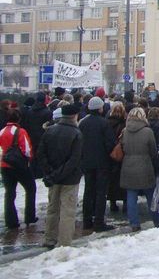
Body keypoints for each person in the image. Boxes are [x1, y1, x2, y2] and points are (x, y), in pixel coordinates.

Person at [38, 103, 83, 248]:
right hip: (69, 178)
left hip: (53, 177)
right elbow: (74, 160)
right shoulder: (76, 133)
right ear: (75, 116)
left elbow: (41, 154)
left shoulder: (49, 131)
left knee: (53, 208)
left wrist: (50, 173)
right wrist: (59, 174)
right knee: (67, 211)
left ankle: (49, 238)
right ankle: (64, 242)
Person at [120, 107, 159, 231]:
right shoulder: (147, 131)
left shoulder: (125, 131)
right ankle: (157, 219)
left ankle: (134, 223)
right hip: (145, 164)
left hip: (128, 164)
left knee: (131, 195)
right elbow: (153, 151)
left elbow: (123, 147)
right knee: (150, 194)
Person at [79, 96, 116, 232]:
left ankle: (87, 220)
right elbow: (110, 143)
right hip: (102, 162)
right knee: (101, 192)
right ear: (100, 108)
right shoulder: (104, 123)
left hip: (87, 162)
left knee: (88, 191)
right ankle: (99, 221)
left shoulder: (83, 123)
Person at [0, 108, 37, 229]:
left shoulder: (2, 131)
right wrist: (29, 160)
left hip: (5, 165)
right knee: (30, 188)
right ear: (19, 119)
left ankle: (11, 221)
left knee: (9, 193)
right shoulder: (20, 131)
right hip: (19, 166)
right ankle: (29, 216)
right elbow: (27, 150)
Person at [23, 91, 52, 179]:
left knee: (33, 155)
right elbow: (49, 126)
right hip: (43, 137)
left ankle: (32, 171)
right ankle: (40, 172)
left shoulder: (30, 111)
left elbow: (26, 124)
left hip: (31, 136)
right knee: (42, 155)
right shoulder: (47, 112)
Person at [106, 102, 127, 213]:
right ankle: (125, 202)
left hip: (110, 155)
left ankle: (113, 202)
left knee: (112, 180)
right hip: (123, 155)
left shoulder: (106, 123)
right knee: (123, 179)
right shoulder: (125, 124)